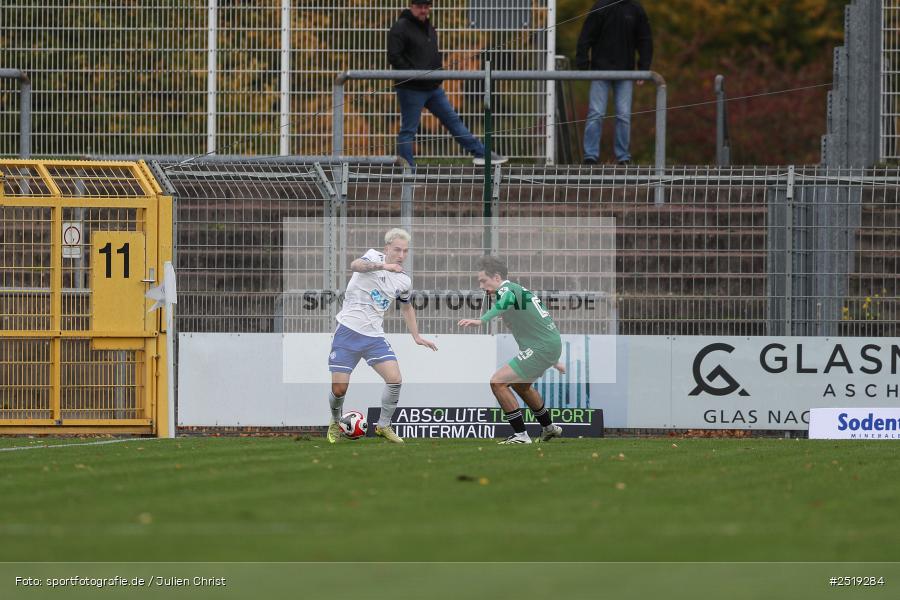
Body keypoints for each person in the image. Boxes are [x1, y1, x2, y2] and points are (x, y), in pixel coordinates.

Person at [326, 228, 438, 443]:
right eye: (397, 249)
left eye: (405, 251)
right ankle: (334, 420)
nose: (401, 255)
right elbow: (355, 265)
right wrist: (384, 266)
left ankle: (384, 426)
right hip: (348, 331)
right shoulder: (373, 257)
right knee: (339, 389)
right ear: (387, 248)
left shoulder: (404, 280)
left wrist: (416, 336)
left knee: (395, 380)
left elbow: (407, 307)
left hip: (374, 337)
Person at [458, 255, 564, 444]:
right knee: (521, 386)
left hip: (543, 347)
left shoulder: (506, 290)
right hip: (547, 345)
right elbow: (533, 326)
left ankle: (521, 436)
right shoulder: (517, 290)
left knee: (497, 382)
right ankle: (549, 428)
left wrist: (481, 320)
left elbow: (505, 300)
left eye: (483, 281)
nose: (481, 286)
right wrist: (553, 359)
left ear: (497, 277)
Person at [388, 0, 507, 167]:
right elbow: (394, 56)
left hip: (433, 88)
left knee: (453, 121)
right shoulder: (401, 27)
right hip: (411, 88)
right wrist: (414, 74)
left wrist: (436, 74)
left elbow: (430, 54)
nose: (423, 10)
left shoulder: (428, 26)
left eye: (426, 6)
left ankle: (482, 154)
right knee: (409, 130)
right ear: (411, 6)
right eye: (419, 6)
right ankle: (408, 170)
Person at [576, 0, 653, 165]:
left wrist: (644, 67)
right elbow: (586, 36)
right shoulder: (600, 6)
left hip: (625, 72)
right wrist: (582, 64)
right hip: (600, 70)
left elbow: (644, 39)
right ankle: (590, 156)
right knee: (596, 113)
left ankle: (623, 157)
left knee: (623, 115)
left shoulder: (636, 9)